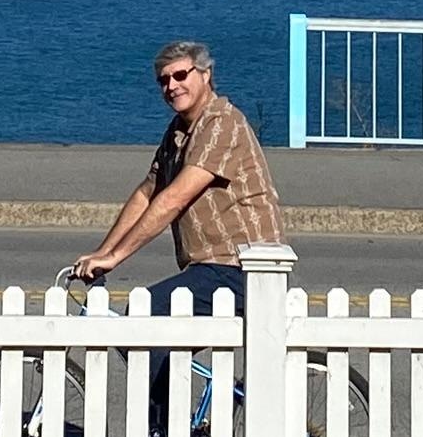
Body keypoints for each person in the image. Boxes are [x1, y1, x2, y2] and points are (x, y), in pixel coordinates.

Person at [66, 38, 286, 311]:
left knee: (143, 313)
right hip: (210, 268)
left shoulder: (222, 122)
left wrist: (116, 258)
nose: (172, 86)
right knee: (144, 327)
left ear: (206, 75)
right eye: (163, 81)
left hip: (243, 268)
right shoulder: (178, 130)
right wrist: (102, 253)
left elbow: (175, 198)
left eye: (181, 75)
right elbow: (147, 194)